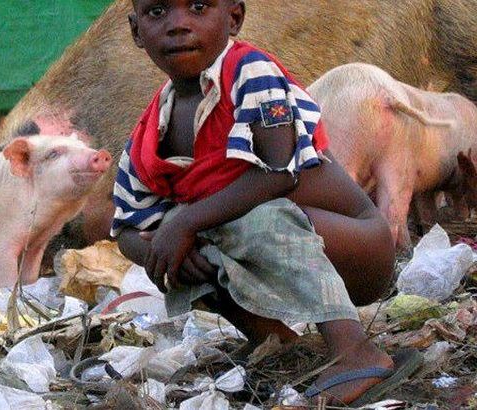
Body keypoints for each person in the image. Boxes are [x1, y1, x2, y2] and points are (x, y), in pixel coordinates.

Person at [111, 0, 421, 405]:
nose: (178, 26)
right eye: (157, 12)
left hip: (358, 248)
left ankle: (356, 351)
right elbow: (127, 225)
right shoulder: (152, 130)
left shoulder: (251, 73)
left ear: (234, 18)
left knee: (251, 219)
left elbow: (279, 173)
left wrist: (184, 224)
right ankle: (274, 339)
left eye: (199, 7)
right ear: (136, 31)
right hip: (289, 252)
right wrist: (160, 250)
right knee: (182, 252)